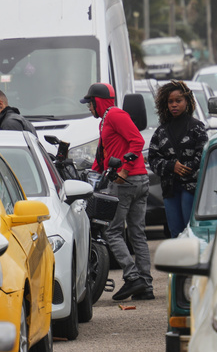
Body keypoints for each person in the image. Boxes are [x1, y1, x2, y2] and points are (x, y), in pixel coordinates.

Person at [82, 82, 154, 301]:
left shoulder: (115, 115)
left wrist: (124, 169)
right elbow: (102, 157)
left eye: (90, 103)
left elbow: (137, 141)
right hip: (137, 180)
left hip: (127, 181)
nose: (88, 108)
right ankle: (145, 286)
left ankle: (133, 277)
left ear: (98, 102)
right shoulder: (106, 121)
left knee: (112, 231)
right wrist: (90, 175)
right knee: (136, 232)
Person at [148, 80, 208, 238]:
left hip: (191, 188)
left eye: (178, 100)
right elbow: (153, 158)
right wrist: (170, 166)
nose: (174, 104)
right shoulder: (161, 131)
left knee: (191, 232)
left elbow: (203, 155)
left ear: (187, 101)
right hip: (170, 190)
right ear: (165, 104)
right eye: (170, 101)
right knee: (175, 233)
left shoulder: (197, 127)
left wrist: (185, 169)